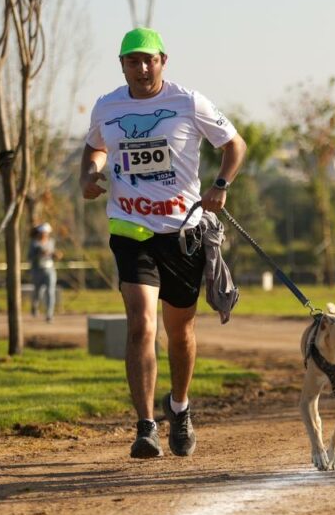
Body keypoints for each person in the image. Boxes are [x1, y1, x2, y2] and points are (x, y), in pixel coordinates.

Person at [80, 27, 247, 460]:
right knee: (141, 323)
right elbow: (94, 147)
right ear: (122, 66)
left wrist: (221, 185)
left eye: (149, 60)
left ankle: (181, 407)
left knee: (181, 332)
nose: (141, 68)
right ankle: (145, 426)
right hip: (130, 230)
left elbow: (234, 144)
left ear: (163, 61)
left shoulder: (188, 102)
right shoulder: (107, 106)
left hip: (183, 233)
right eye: (132, 61)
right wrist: (89, 175)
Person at [28, 222, 59, 322]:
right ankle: (35, 307)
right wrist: (39, 254)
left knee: (50, 292)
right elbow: (29, 257)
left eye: (46, 233)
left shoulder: (51, 242)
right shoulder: (34, 243)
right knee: (38, 292)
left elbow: (52, 253)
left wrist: (56, 255)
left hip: (49, 270)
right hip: (37, 271)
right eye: (43, 233)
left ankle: (49, 315)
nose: (44, 235)